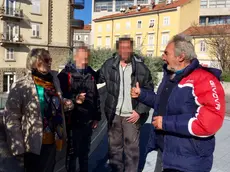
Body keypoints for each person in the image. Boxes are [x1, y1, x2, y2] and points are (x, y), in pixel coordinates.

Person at [131, 34, 226, 172]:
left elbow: (210, 123)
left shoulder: (205, 79)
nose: (163, 57)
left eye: (166, 53)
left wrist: (165, 123)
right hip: (166, 153)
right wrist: (142, 95)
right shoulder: (171, 76)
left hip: (188, 161)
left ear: (180, 57)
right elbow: (163, 103)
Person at [4, 48, 69, 172]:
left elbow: (53, 104)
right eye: (46, 60)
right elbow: (11, 116)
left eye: (50, 59)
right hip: (34, 145)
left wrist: (66, 102)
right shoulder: (21, 85)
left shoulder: (53, 81)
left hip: (54, 141)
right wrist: (17, 145)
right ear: (34, 62)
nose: (50, 62)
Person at [97, 37, 154, 172]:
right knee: (114, 149)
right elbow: (96, 77)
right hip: (114, 114)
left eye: (128, 47)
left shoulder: (141, 68)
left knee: (132, 151)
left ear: (132, 49)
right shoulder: (109, 65)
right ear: (118, 49)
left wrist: (139, 111)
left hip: (131, 115)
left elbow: (149, 91)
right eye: (122, 47)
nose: (125, 51)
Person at [58, 46, 101, 172]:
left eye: (87, 59)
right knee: (72, 156)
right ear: (75, 57)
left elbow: (96, 96)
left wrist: (96, 117)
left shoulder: (90, 73)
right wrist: (74, 98)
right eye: (82, 58)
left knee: (84, 154)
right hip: (72, 122)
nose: (85, 61)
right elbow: (59, 96)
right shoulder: (65, 75)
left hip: (87, 122)